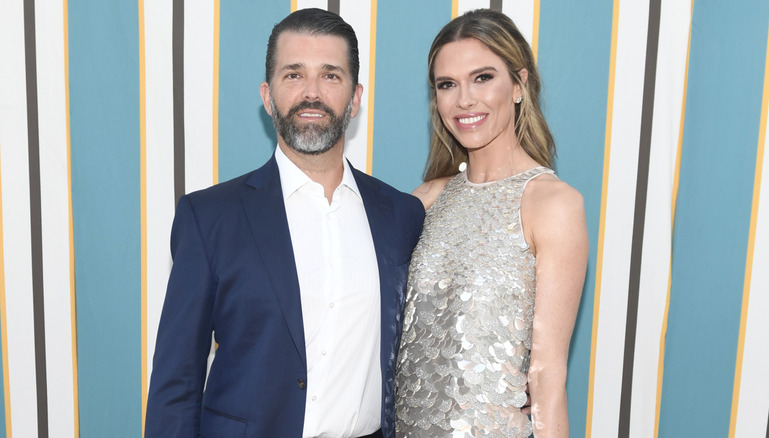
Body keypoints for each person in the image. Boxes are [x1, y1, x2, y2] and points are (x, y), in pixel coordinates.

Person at [145, 8, 424, 438]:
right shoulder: (209, 218)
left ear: (355, 97)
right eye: (293, 75)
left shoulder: (401, 215)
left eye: (330, 75)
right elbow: (176, 382)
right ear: (267, 95)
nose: (311, 93)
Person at [394, 9, 588, 438]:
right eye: (448, 85)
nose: (464, 99)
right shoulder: (426, 199)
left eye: (482, 77)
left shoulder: (553, 204)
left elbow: (548, 373)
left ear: (519, 85)